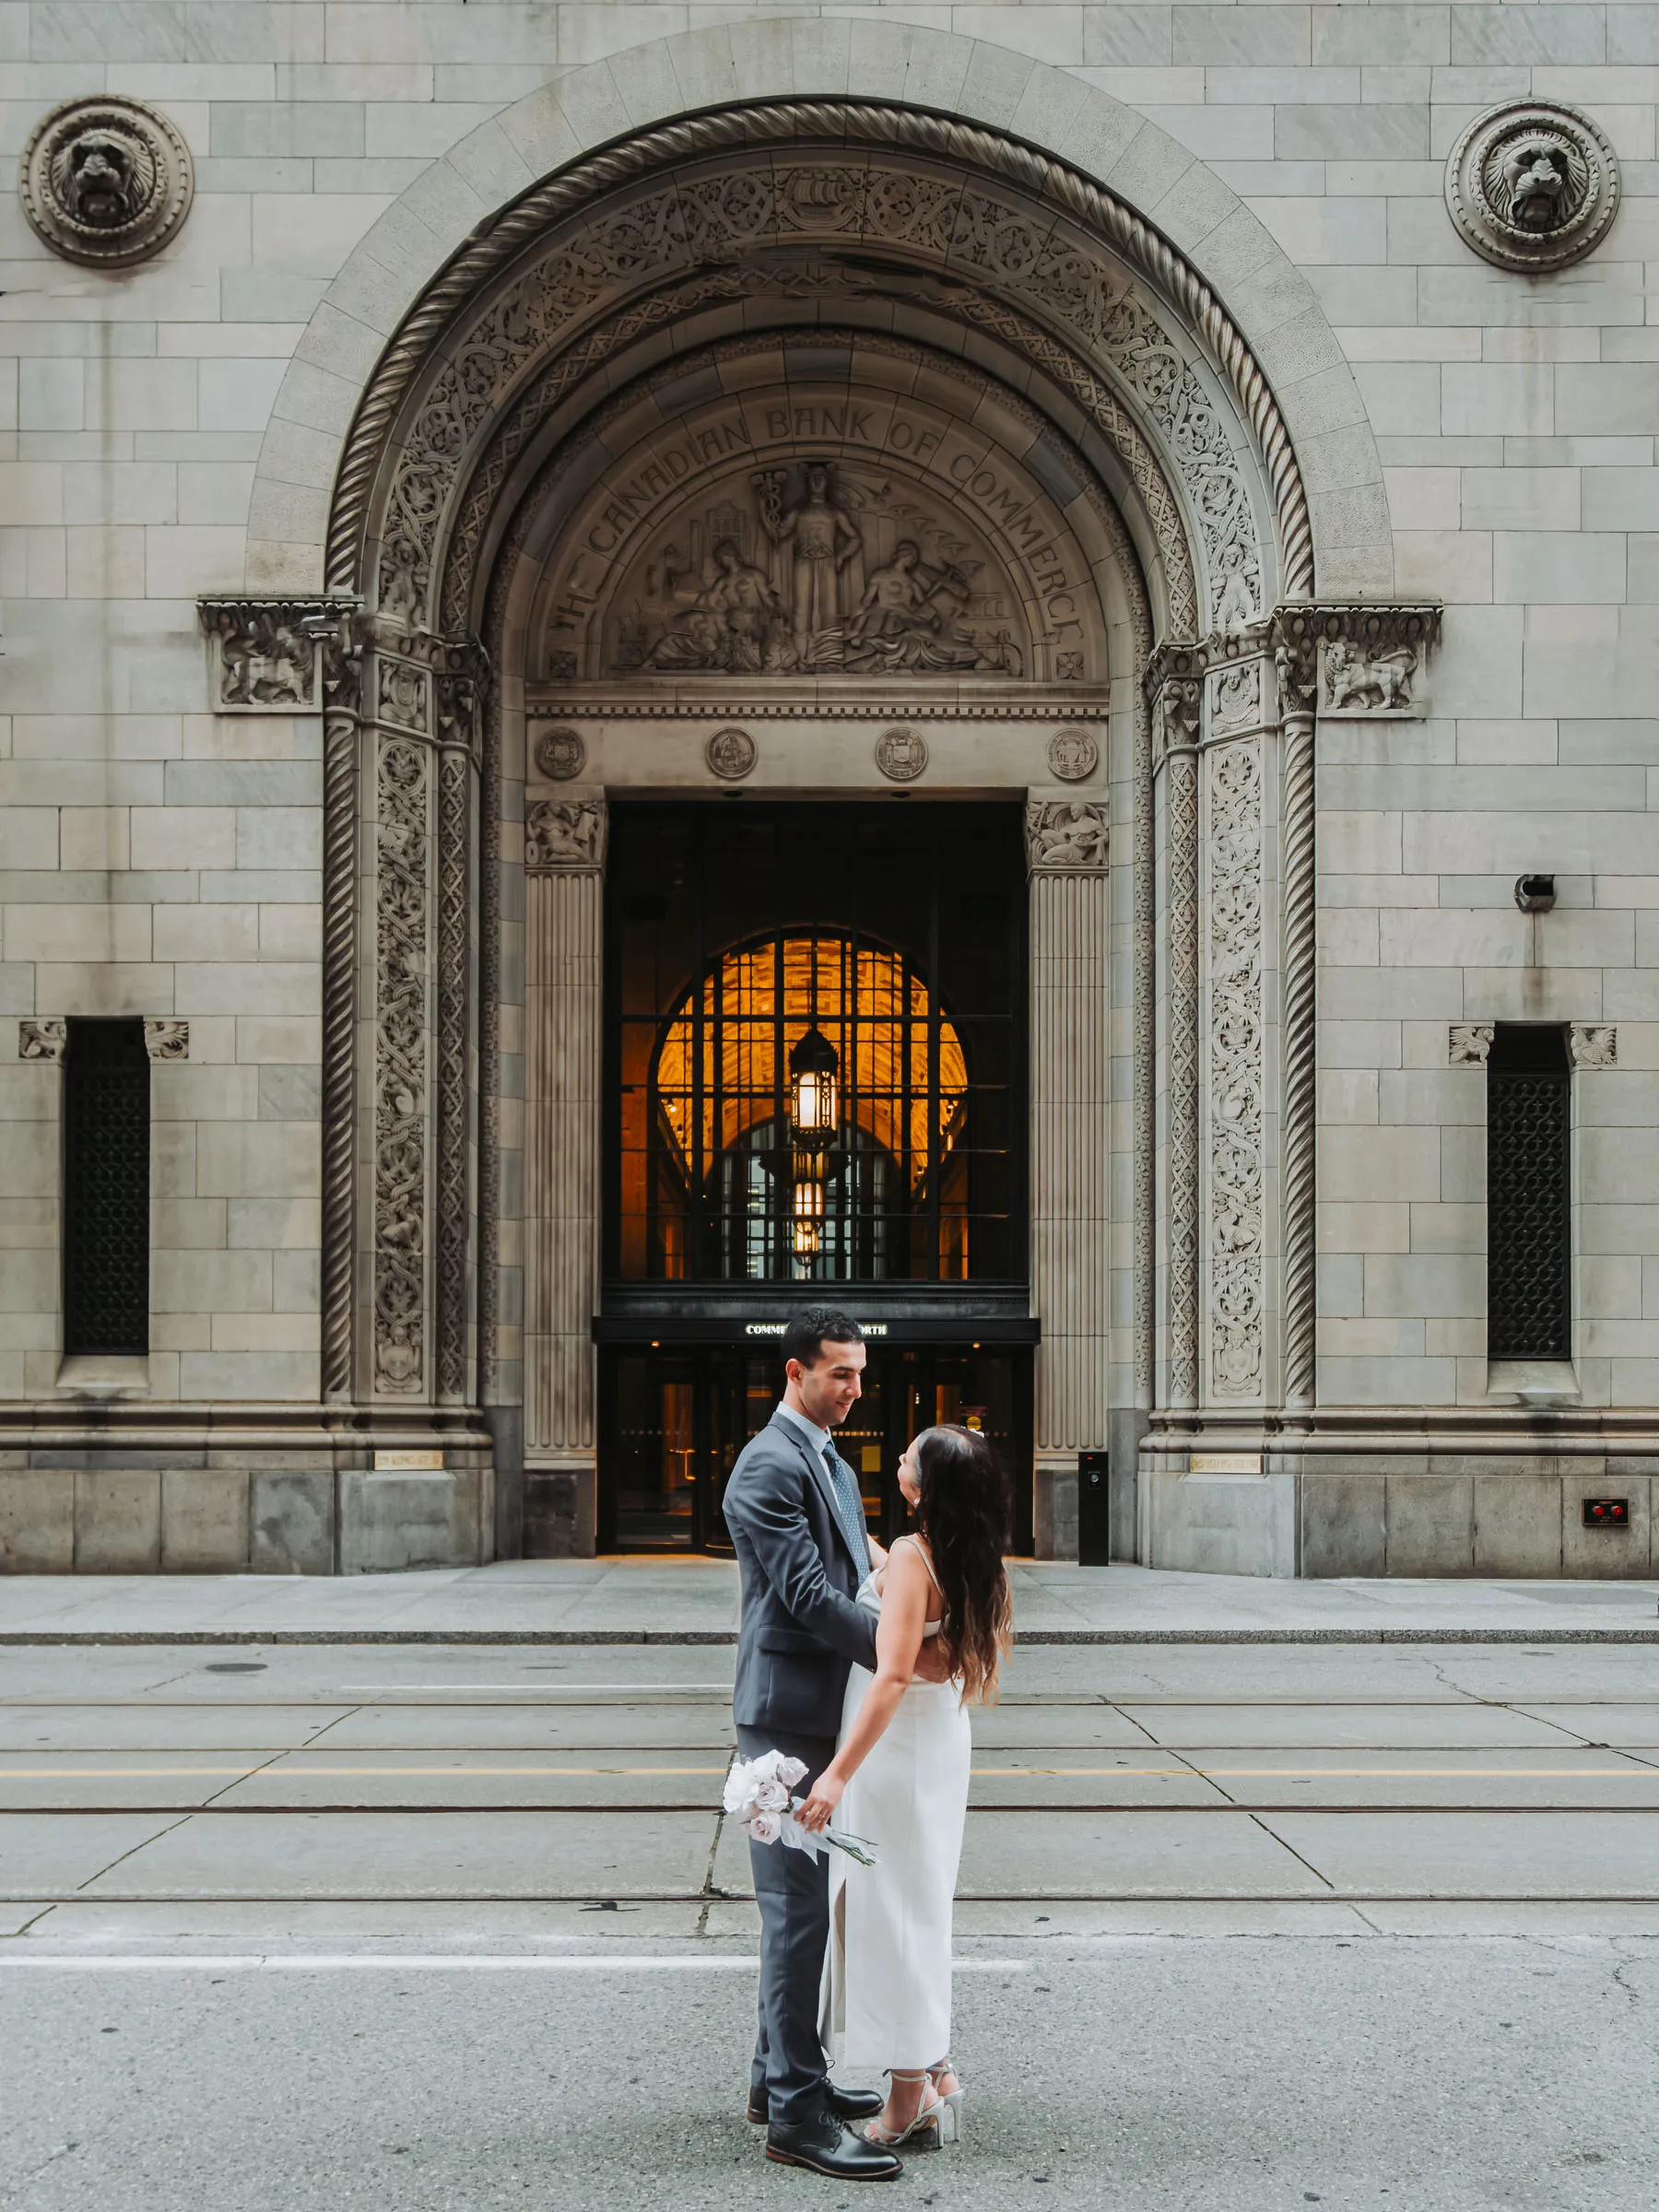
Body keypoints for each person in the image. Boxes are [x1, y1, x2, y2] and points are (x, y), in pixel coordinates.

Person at [723, 1308, 953, 2183]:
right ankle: (794, 2117)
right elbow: (810, 1596)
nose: (856, 1390)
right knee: (797, 1917)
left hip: (821, 1705)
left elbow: (845, 1565)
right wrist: (903, 1655)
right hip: (786, 1715)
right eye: (840, 1375)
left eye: (861, 1373)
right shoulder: (767, 1467)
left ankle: (777, 2081)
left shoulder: (820, 1449)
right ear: (794, 1372)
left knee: (804, 1913)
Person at [800, 1423, 1013, 2151]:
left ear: (927, 1487)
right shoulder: (971, 1552)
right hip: (938, 1745)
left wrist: (835, 1774)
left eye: (909, 1456)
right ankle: (937, 2069)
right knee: (919, 1910)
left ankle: (908, 2101)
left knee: (895, 1920)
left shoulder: (918, 1556)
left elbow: (891, 1674)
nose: (896, 1459)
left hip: (896, 1754)